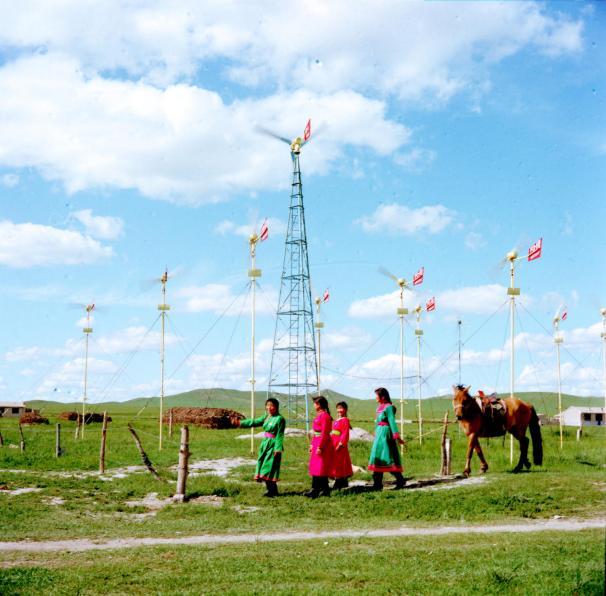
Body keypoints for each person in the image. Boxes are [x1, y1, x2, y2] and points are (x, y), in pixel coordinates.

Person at [235, 398, 285, 497]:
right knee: (263, 466)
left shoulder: (280, 419)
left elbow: (280, 434)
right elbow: (254, 422)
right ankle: (271, 490)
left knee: (268, 467)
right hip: (265, 444)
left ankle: (272, 491)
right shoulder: (267, 417)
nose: (269, 408)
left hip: (273, 444)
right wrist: (240, 423)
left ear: (276, 407)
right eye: (267, 405)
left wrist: (278, 448)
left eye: (272, 405)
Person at [368, 387, 406, 490]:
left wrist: (397, 438)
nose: (375, 397)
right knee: (378, 457)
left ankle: (400, 480)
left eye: (377, 395)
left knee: (387, 457)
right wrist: (376, 433)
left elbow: (392, 422)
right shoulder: (379, 408)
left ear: (383, 397)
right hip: (379, 434)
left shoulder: (389, 407)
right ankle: (377, 484)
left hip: (386, 434)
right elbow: (377, 422)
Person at [306, 395, 334, 498]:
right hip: (317, 442)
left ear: (319, 404)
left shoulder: (325, 416)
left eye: (315, 403)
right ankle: (325, 490)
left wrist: (321, 447)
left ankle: (315, 490)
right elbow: (316, 433)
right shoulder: (319, 415)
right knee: (317, 467)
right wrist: (312, 445)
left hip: (323, 444)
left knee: (320, 467)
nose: (313, 405)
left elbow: (325, 433)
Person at [331, 401, 353, 489]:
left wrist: (341, 444)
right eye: (338, 408)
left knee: (339, 462)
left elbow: (345, 433)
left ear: (345, 409)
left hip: (340, 443)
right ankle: (343, 480)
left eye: (341, 408)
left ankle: (339, 480)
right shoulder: (336, 420)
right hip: (333, 441)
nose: (339, 410)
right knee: (336, 461)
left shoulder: (345, 420)